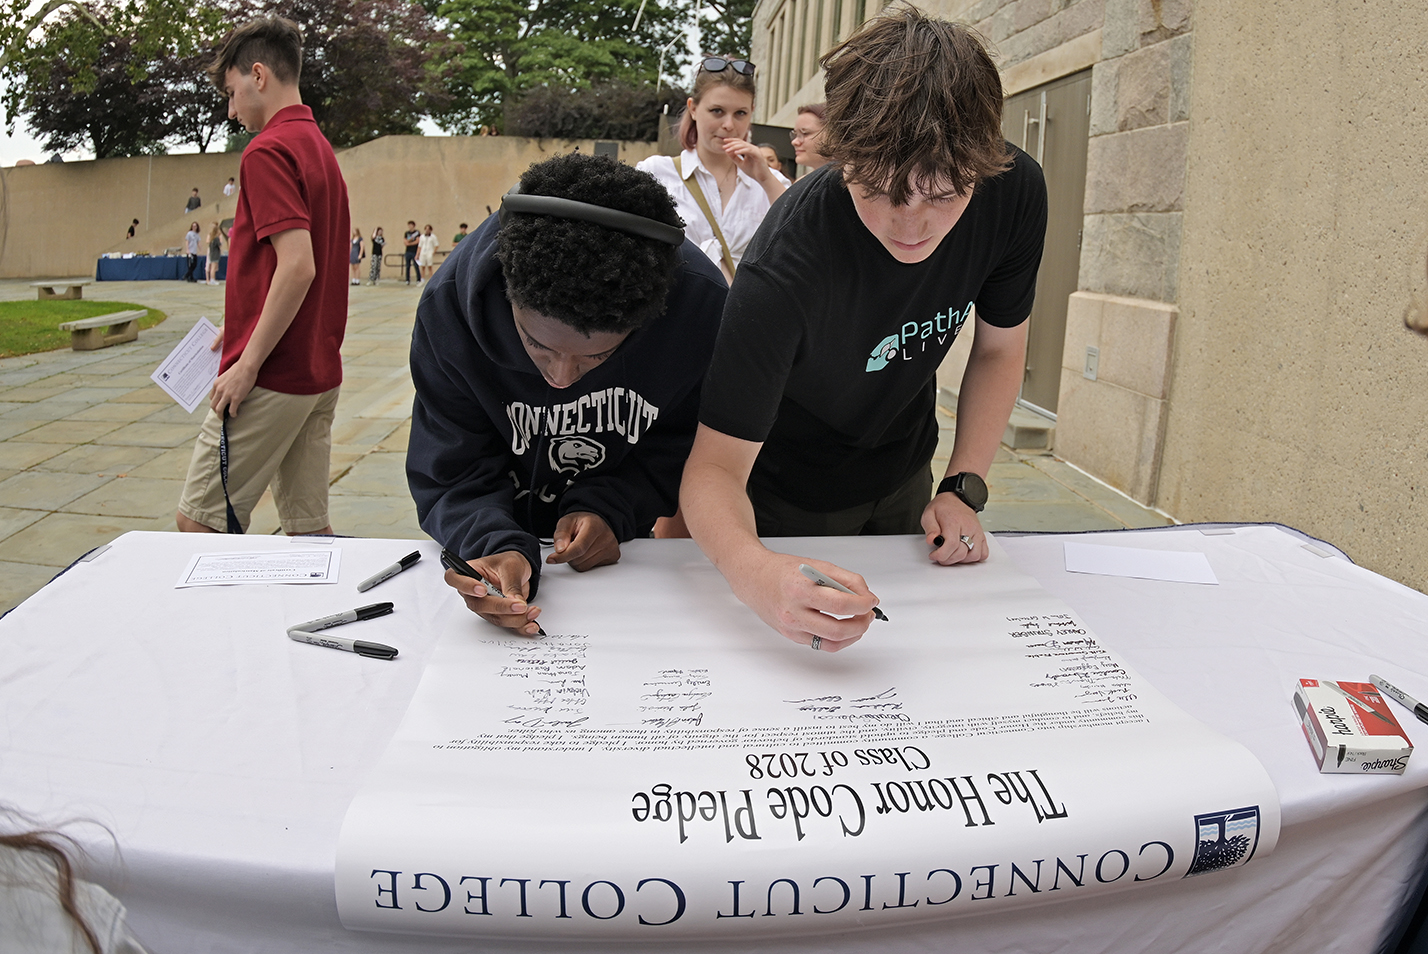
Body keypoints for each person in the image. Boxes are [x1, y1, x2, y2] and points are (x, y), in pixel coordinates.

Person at [680, 8, 1047, 653]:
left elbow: (999, 349)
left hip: (901, 462)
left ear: (983, 167)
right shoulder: (789, 257)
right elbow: (712, 471)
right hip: (780, 487)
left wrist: (964, 485)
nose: (911, 228)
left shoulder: (1014, 195)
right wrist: (756, 571)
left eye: (943, 196)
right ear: (840, 153)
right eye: (878, 189)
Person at [407, 153, 727, 635]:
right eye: (537, 344)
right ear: (506, 292)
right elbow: (449, 461)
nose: (561, 378)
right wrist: (491, 540)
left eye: (596, 357)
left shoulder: (697, 312)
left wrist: (611, 507)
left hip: (622, 582)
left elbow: (681, 444)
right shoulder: (449, 306)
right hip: (489, 532)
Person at [176, 15, 350, 538]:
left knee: (198, 524)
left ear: (258, 75)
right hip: (317, 374)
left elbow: (298, 265)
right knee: (308, 533)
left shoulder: (268, 150)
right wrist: (242, 329)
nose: (231, 111)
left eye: (231, 94)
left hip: (274, 376)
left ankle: (229, 624)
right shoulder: (319, 148)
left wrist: (247, 363)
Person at [636, 55, 789, 284]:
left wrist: (765, 178)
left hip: (745, 315)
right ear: (694, 108)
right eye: (717, 111)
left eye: (740, 113)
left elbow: (799, 238)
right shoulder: (656, 173)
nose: (728, 124)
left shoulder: (770, 181)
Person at [791, 103, 830, 170]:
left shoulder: (850, 179)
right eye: (795, 134)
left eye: (805, 133)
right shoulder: (803, 179)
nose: (794, 142)